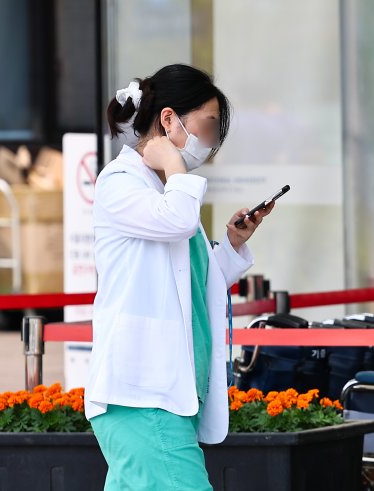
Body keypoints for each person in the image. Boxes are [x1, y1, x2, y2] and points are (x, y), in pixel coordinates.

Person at [84, 64, 272, 490]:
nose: (209, 144)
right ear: (168, 119)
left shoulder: (167, 193)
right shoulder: (121, 183)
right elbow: (178, 223)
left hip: (164, 396)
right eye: (206, 128)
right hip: (142, 395)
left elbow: (192, 285)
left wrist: (234, 245)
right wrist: (172, 161)